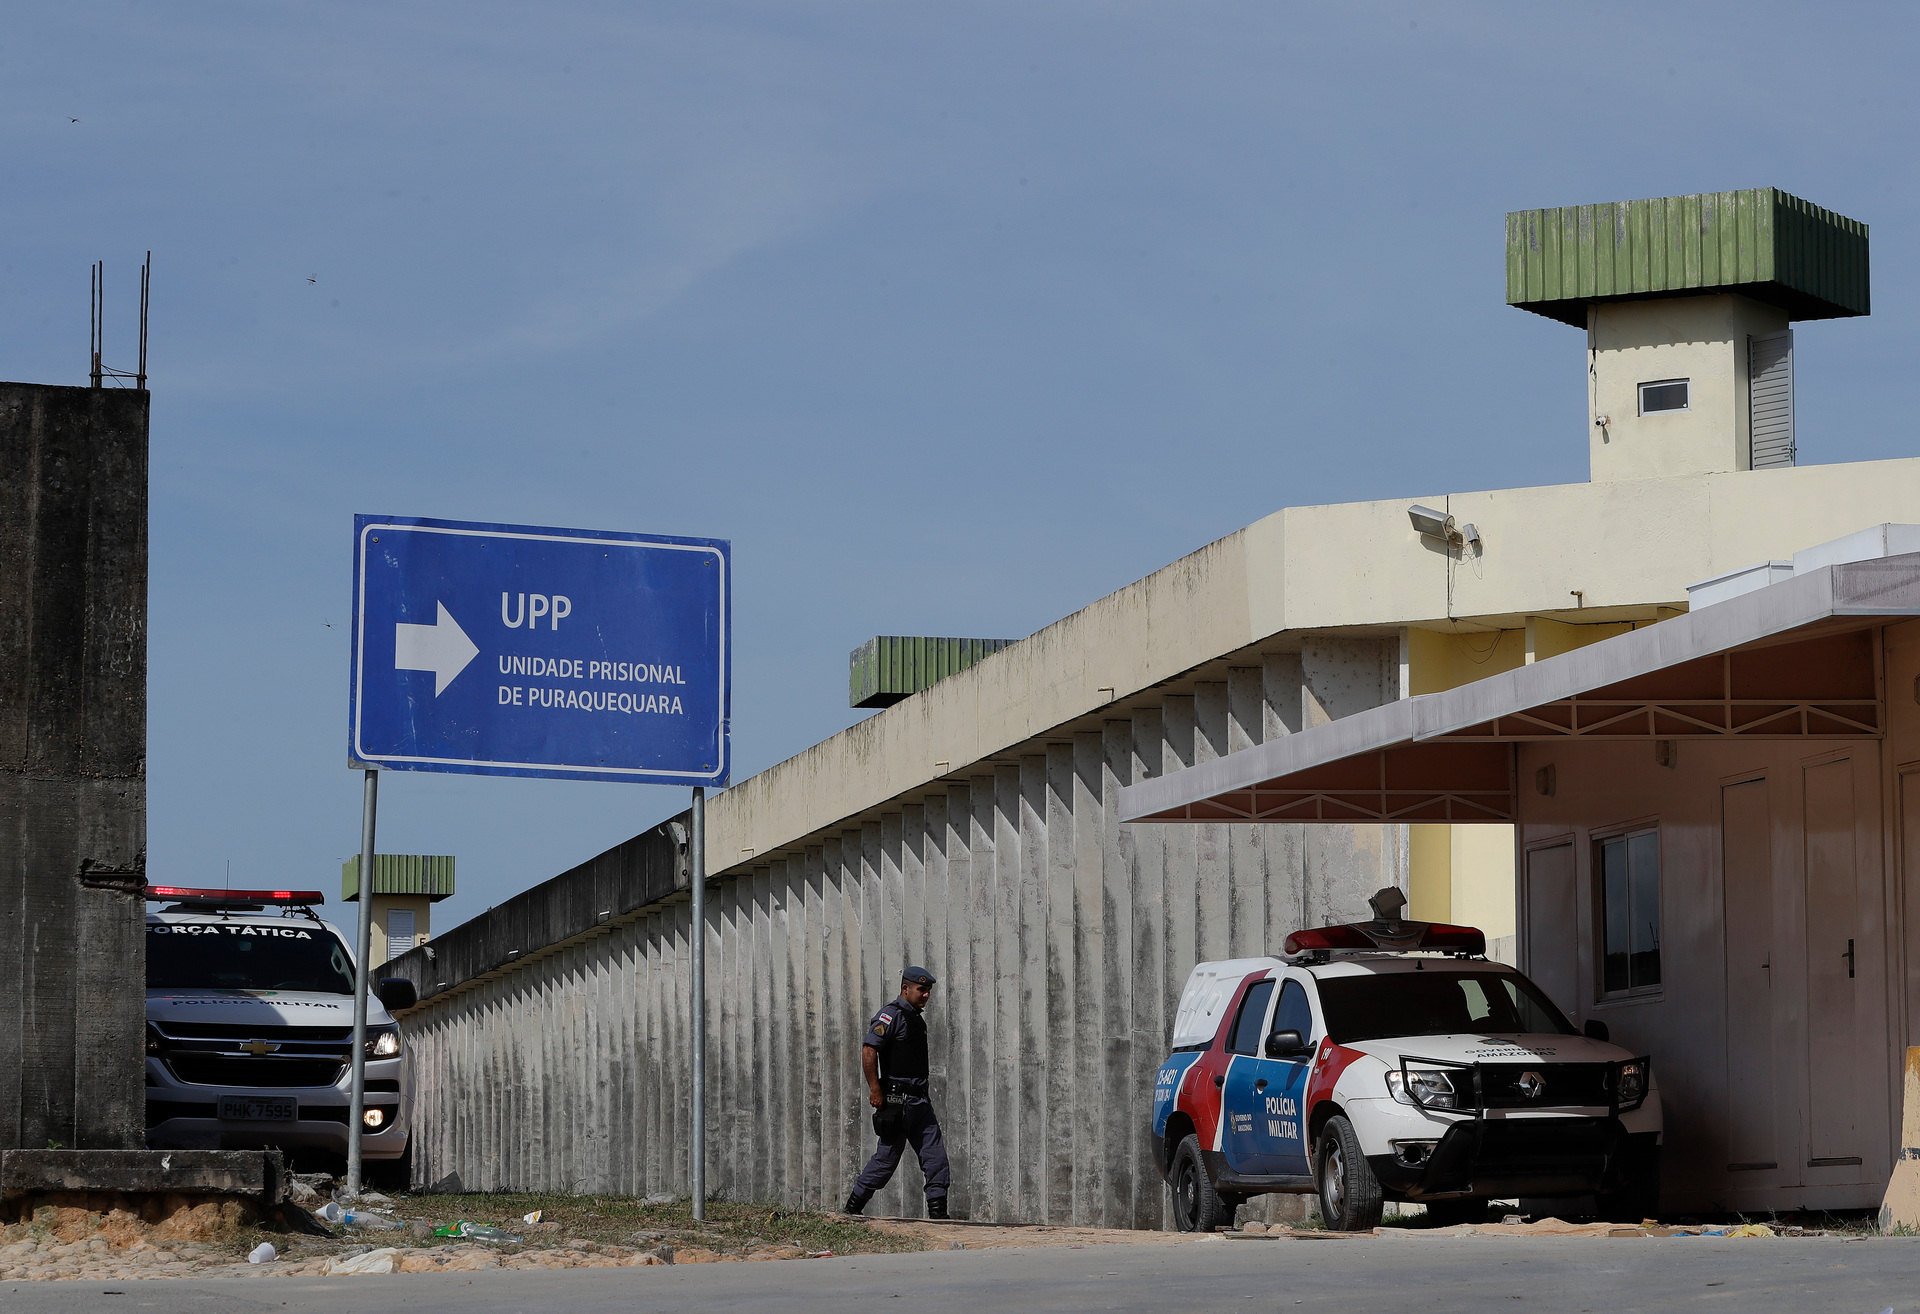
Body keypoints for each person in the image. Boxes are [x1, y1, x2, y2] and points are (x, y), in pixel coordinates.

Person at [843, 966, 950, 1219]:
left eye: (928, 991)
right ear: (906, 988)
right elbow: (869, 1050)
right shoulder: (890, 1015)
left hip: (920, 1101)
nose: (926, 995)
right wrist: (875, 1089)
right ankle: (852, 1208)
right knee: (886, 1159)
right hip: (897, 1101)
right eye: (921, 989)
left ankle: (939, 1214)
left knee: (936, 1158)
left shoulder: (915, 1018)